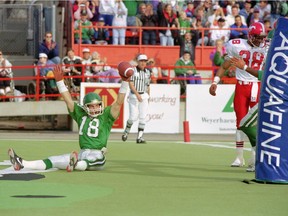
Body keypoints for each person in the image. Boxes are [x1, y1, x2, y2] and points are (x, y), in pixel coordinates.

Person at [8, 64, 132, 172]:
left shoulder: (104, 116)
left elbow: (118, 103)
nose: (94, 109)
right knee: (53, 160)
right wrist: (125, 81)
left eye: (97, 106)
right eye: (91, 106)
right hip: (82, 153)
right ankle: (23, 163)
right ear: (85, 107)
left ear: (101, 105)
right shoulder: (83, 114)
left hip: (94, 153)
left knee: (95, 159)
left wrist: (60, 82)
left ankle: (75, 164)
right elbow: (69, 101)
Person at [209, 22, 268, 167]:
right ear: (250, 35)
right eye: (258, 37)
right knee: (240, 123)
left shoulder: (267, 47)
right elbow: (225, 65)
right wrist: (215, 82)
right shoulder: (236, 45)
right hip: (241, 86)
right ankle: (239, 157)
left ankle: (254, 157)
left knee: (255, 124)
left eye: (262, 37)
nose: (261, 40)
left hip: (257, 86)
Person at [122, 54, 151, 144]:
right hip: (134, 96)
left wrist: (148, 96)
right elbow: (131, 84)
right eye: (141, 61)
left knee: (143, 117)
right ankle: (126, 132)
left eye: (144, 61)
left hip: (144, 95)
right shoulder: (133, 71)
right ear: (138, 62)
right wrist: (137, 94)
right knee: (132, 117)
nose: (143, 63)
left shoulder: (148, 72)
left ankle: (139, 137)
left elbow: (148, 85)